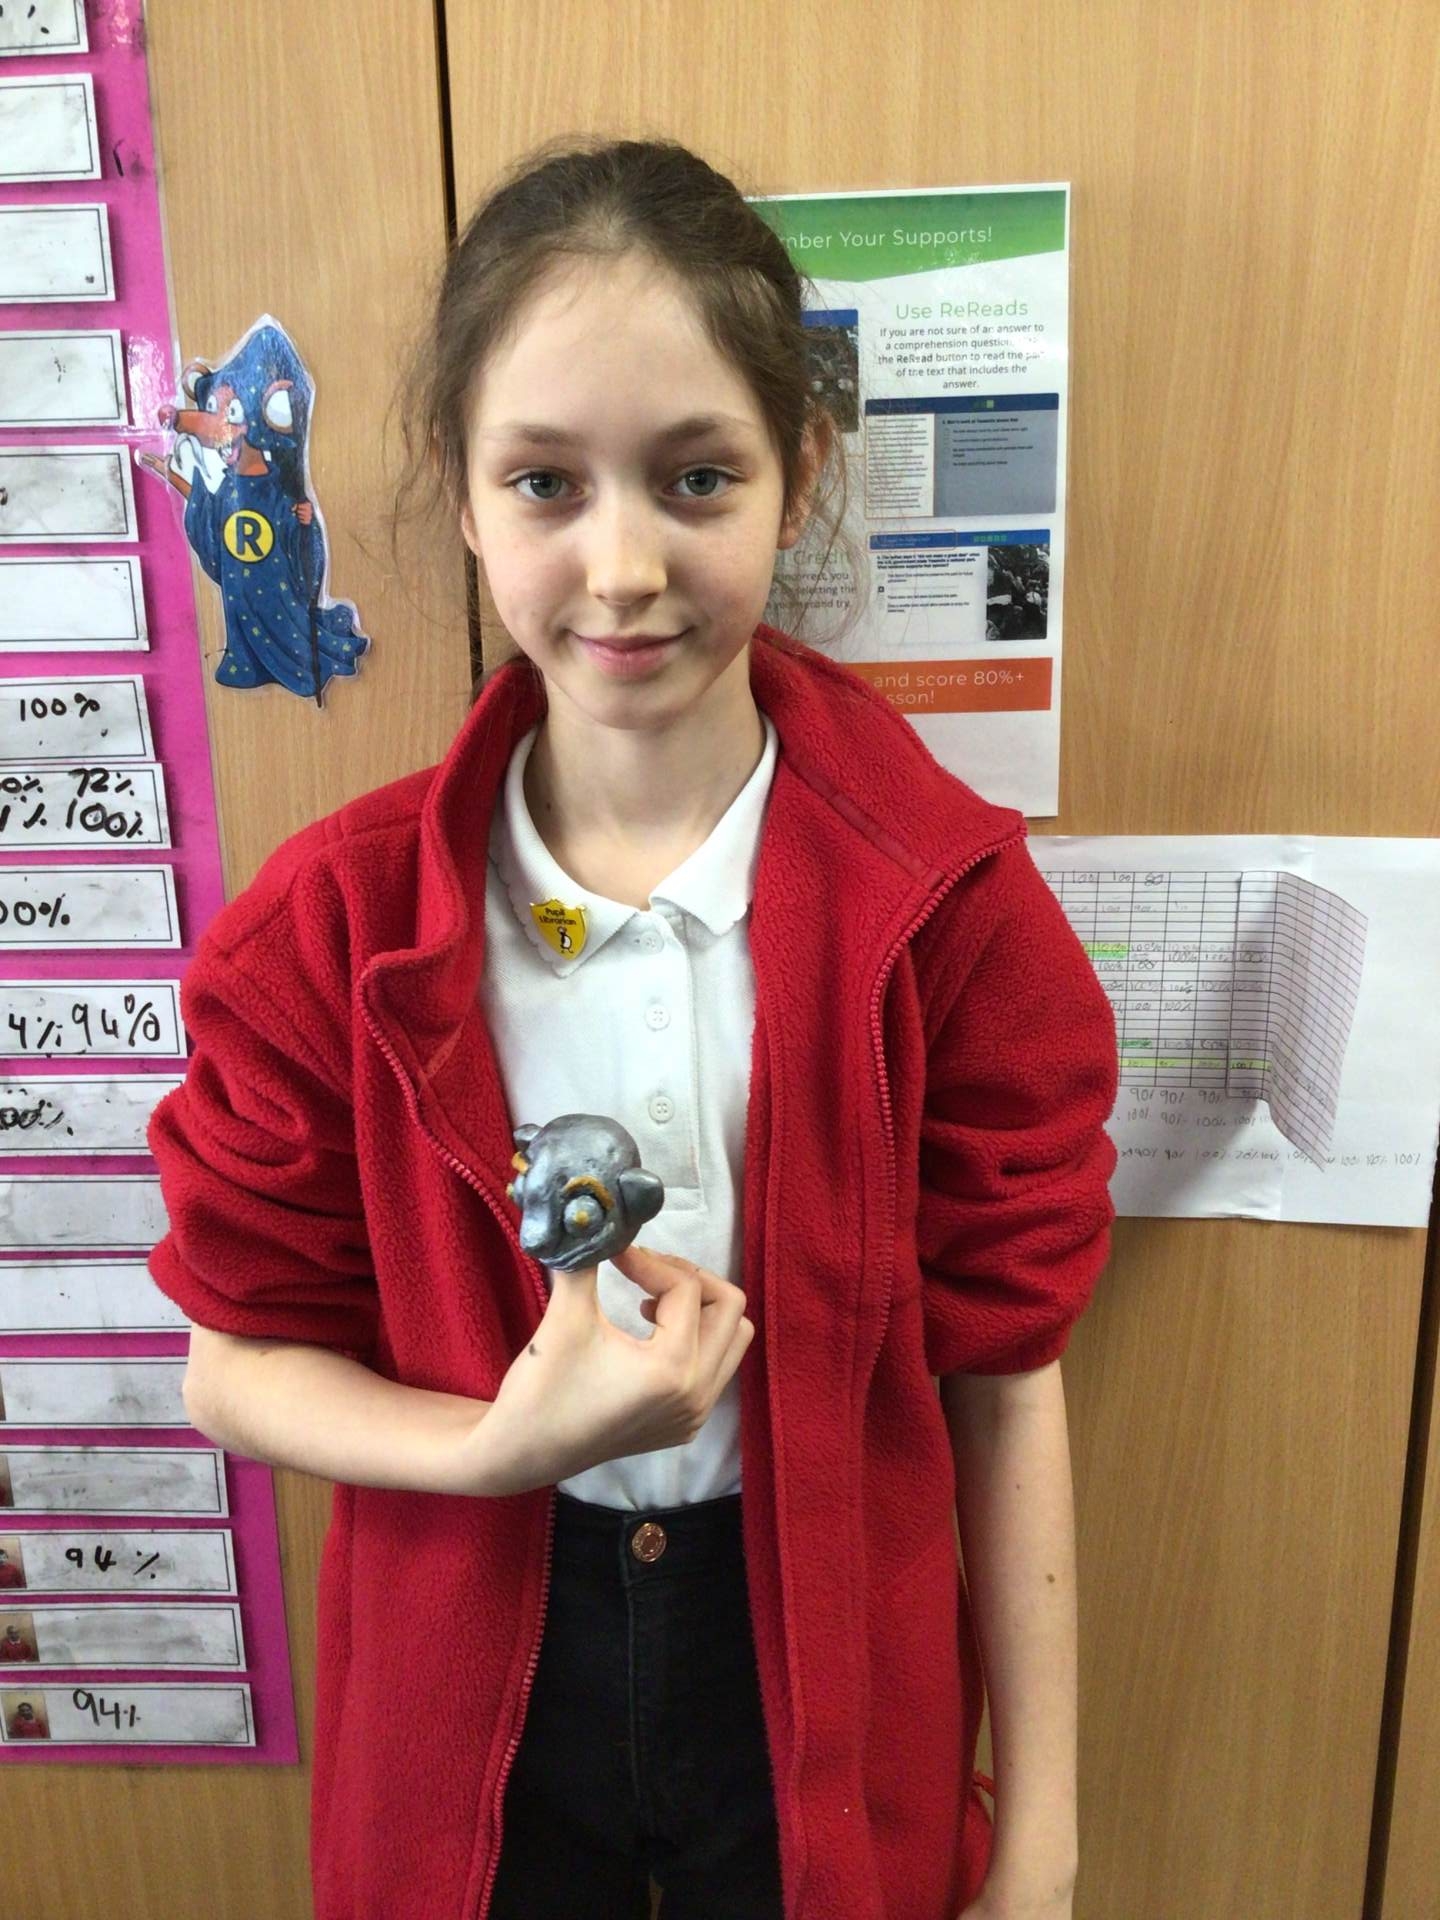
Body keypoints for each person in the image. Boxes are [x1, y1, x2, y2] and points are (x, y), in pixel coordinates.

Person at [145, 137, 1118, 1920]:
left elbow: (1007, 1381)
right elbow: (233, 1361)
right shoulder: (326, 932)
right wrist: (497, 1447)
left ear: (798, 477)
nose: (621, 568)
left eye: (695, 479)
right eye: (545, 483)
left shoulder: (952, 909)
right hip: (479, 1676)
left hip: (823, 1660)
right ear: (462, 495)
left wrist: (1039, 1844)